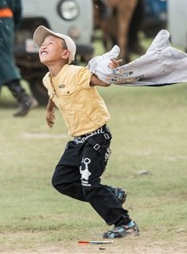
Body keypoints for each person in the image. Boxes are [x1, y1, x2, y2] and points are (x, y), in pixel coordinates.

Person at [33, 25, 140, 239]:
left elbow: (100, 82)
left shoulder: (75, 73)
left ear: (65, 54)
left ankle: (125, 224)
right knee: (61, 181)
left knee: (89, 184)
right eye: (42, 44)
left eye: (50, 43)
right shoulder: (48, 79)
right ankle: (111, 194)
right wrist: (49, 111)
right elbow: (53, 93)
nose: (43, 45)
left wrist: (110, 71)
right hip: (78, 140)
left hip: (96, 137)